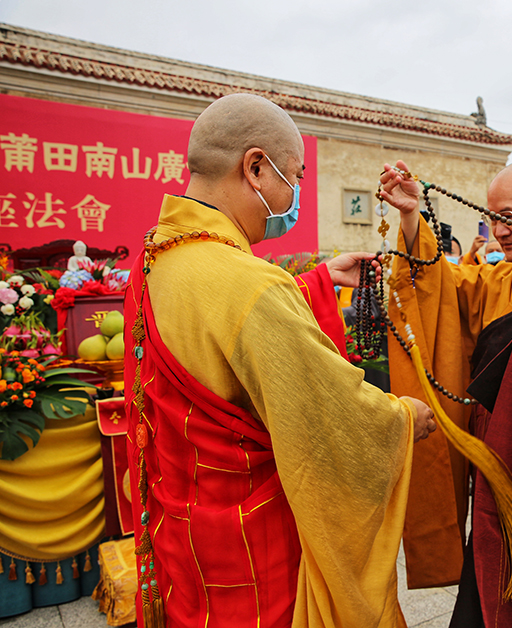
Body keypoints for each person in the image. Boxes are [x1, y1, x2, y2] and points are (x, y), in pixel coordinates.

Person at [124, 93, 435, 628]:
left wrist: (317, 279)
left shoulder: (155, 256)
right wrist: (404, 418)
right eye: (294, 176)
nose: (295, 193)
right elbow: (332, 418)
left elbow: (224, 328)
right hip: (253, 551)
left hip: (187, 536)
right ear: (255, 168)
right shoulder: (250, 285)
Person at [375, 159, 512, 597]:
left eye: (509, 217)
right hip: (495, 459)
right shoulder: (497, 278)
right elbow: (436, 285)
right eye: (492, 218)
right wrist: (410, 216)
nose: (498, 230)